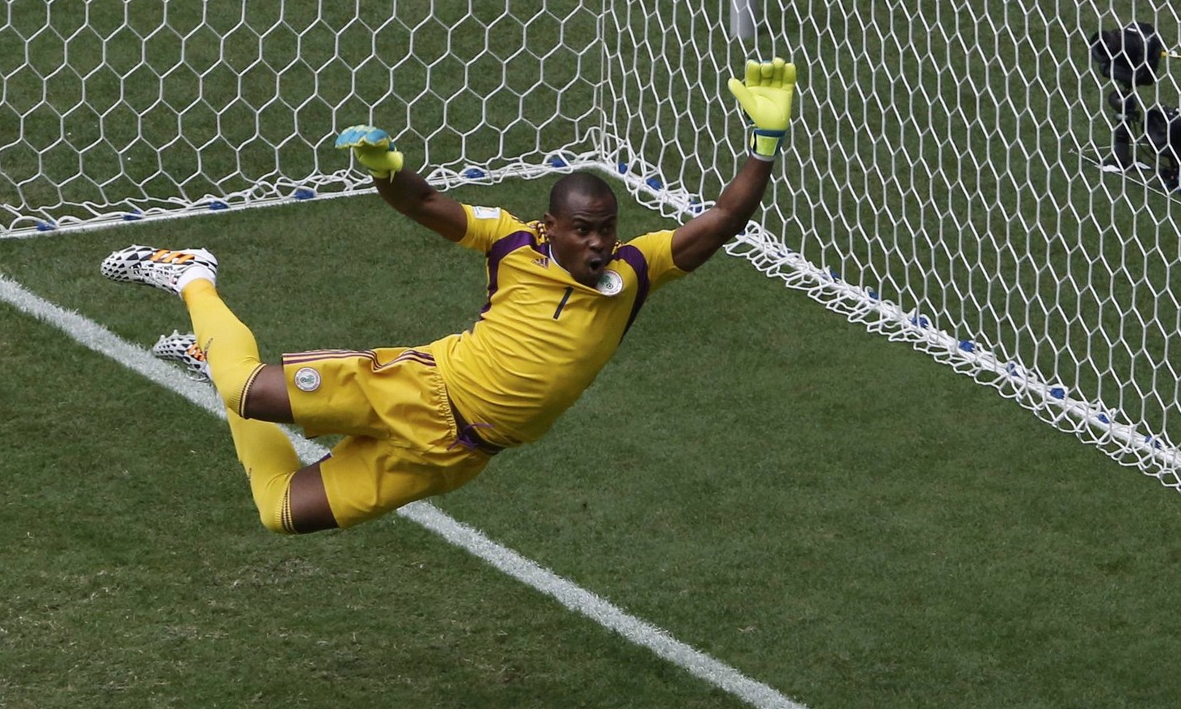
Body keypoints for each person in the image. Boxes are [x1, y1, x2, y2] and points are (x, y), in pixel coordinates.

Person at [100, 58, 798, 534]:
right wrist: (388, 171)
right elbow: (428, 204)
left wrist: (764, 143)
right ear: (550, 225)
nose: (598, 243)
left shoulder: (635, 271)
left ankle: (206, 354)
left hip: (455, 454)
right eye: (583, 230)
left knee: (282, 510)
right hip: (416, 391)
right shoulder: (512, 243)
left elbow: (721, 222)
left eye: (606, 230)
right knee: (248, 392)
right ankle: (191, 273)